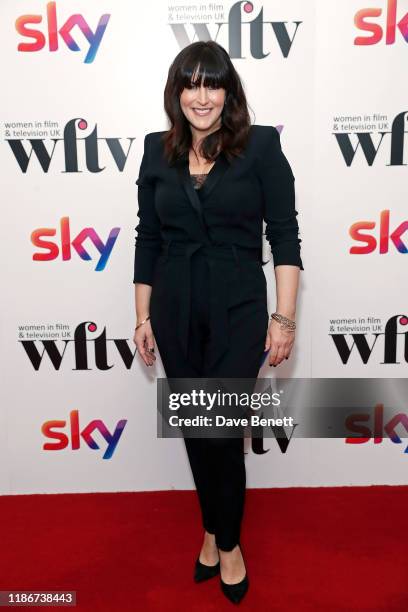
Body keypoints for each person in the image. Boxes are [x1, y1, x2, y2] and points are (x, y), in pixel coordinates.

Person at [132, 40, 303, 604]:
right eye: (190, 83)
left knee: (223, 434)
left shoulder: (261, 146)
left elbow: (284, 235)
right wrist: (142, 316)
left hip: (238, 311)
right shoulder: (157, 152)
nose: (201, 96)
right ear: (175, 92)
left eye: (212, 83)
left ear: (228, 91)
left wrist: (283, 319)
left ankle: (228, 544)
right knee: (195, 430)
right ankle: (211, 528)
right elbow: (147, 240)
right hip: (175, 309)